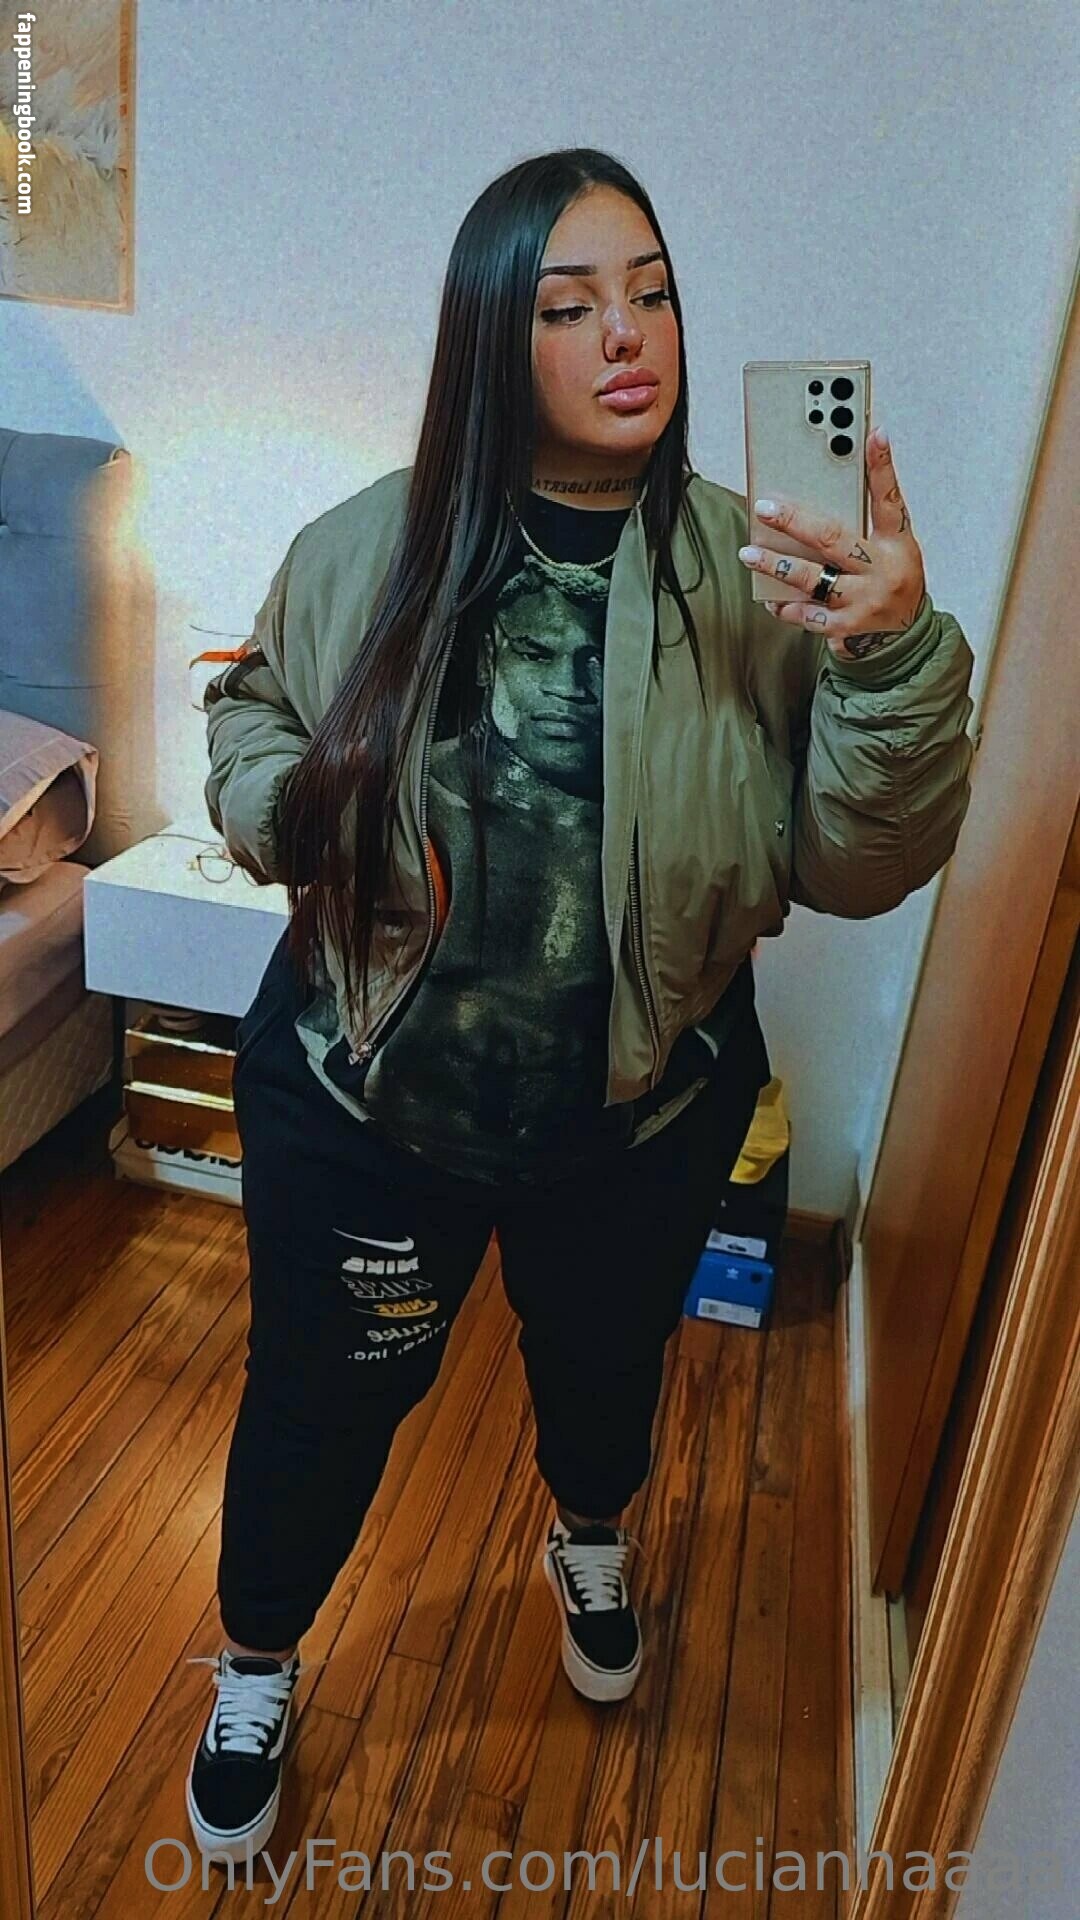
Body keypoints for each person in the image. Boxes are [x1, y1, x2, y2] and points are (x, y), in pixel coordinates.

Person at [187, 147, 975, 1863]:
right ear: (493, 336)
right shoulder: (367, 546)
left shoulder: (761, 579)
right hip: (367, 1109)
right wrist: (289, 816)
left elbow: (855, 865)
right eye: (570, 306)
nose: (629, 334)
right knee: (321, 1407)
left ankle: (589, 1537)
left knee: (605, 1371)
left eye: (653, 292)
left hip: (640, 1113)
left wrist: (895, 657)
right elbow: (248, 715)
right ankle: (255, 1657)